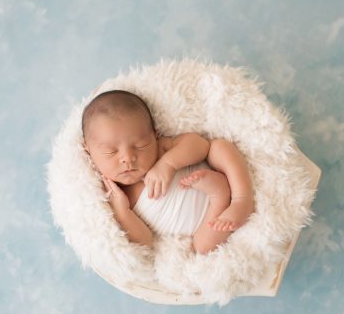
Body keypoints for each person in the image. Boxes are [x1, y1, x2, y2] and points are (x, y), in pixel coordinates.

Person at [82, 90, 254, 255]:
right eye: (111, 152)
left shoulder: (162, 150)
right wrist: (122, 211)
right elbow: (145, 241)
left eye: (140, 145)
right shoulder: (113, 194)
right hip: (208, 222)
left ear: (154, 136)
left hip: (218, 179)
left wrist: (168, 164)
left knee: (219, 147)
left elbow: (200, 144)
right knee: (203, 247)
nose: (128, 158)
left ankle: (242, 199)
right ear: (88, 149)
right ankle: (220, 196)